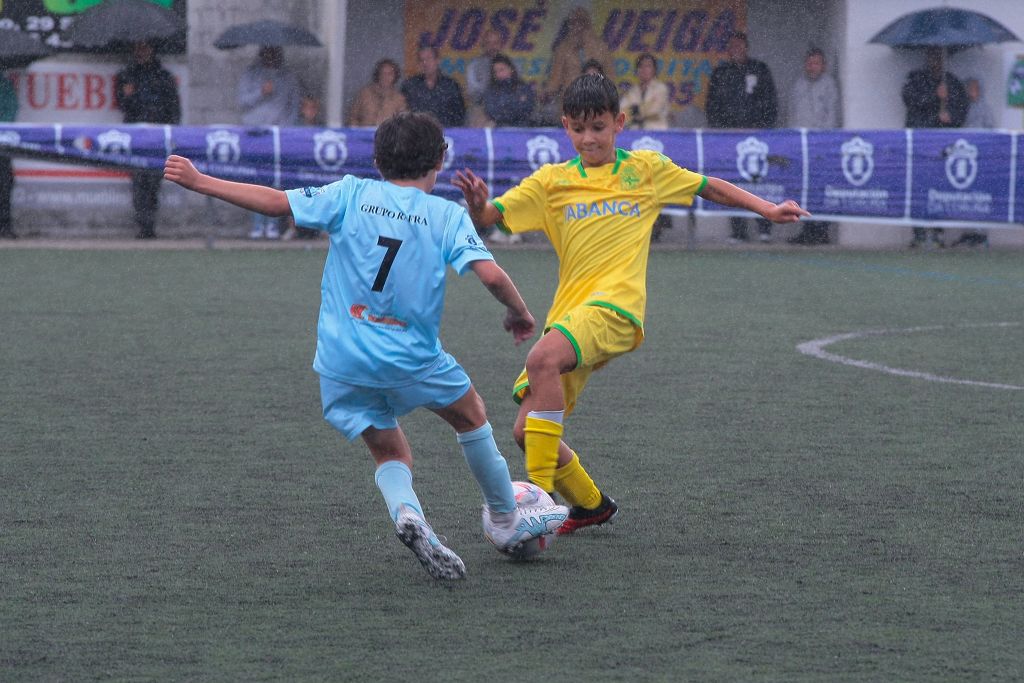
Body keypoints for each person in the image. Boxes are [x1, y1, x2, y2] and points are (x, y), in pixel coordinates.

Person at [163, 111, 569, 581]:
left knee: (389, 451)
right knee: (471, 415)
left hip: (341, 359)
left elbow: (277, 204)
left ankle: (408, 513)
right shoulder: (445, 214)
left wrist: (200, 180)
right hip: (412, 357)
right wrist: (518, 313)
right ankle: (505, 517)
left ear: (377, 160)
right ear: (440, 160)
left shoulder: (350, 193)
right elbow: (492, 275)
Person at [453, 75, 808, 535]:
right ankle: (591, 505)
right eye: (579, 129)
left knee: (541, 360)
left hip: (616, 311)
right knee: (527, 431)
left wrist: (767, 209)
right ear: (565, 127)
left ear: (619, 123)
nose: (589, 138)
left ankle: (534, 511)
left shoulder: (645, 170)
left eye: (599, 127)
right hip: (570, 319)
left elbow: (708, 186)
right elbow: (488, 219)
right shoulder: (551, 182)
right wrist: (479, 206)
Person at [705, 31, 778, 244]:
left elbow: (770, 102)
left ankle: (764, 227)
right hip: (729, 137)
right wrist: (720, 129)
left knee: (759, 180)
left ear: (747, 47)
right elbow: (712, 104)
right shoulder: (721, 72)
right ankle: (738, 230)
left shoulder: (760, 69)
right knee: (733, 183)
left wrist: (762, 127)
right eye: (732, 46)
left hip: (757, 137)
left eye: (740, 45)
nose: (736, 49)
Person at [114, 41, 181, 240]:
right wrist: (126, 95)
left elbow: (173, 107)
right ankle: (142, 224)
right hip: (135, 135)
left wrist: (173, 133)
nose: (142, 52)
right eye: (138, 48)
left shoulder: (163, 76)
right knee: (138, 181)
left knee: (153, 181)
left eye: (145, 48)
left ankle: (150, 223)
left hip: (157, 136)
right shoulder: (127, 75)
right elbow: (123, 105)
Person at [902, 47, 968, 248]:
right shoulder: (916, 79)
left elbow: (961, 110)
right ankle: (919, 233)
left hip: (943, 146)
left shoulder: (953, 83)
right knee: (917, 187)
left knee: (940, 188)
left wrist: (951, 118)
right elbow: (910, 101)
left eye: (939, 58)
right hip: (920, 145)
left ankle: (938, 232)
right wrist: (934, 95)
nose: (936, 62)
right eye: (932, 57)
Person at [238, 45, 300, 240]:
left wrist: (287, 129)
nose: (271, 56)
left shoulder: (288, 77)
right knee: (255, 178)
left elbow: (294, 105)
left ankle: (272, 223)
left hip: (279, 135)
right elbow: (242, 101)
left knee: (276, 180)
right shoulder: (250, 75)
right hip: (255, 133)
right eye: (267, 53)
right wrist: (261, 92)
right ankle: (257, 224)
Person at [786, 47, 840, 246]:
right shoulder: (798, 85)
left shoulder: (829, 86)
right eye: (809, 63)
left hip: (820, 147)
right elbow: (792, 113)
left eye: (816, 63)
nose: (812, 67)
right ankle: (806, 230)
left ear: (823, 65)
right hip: (800, 147)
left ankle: (821, 231)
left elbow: (831, 116)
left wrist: (823, 143)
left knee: (821, 189)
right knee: (804, 190)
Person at [621, 53, 672, 242]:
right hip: (635, 142)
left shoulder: (661, 88)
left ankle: (659, 224)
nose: (644, 70)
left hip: (657, 141)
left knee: (657, 182)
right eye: (641, 67)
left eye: (648, 66)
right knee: (636, 182)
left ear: (654, 70)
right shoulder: (632, 91)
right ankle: (640, 225)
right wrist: (636, 112)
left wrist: (636, 111)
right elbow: (622, 113)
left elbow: (654, 110)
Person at [539, 8, 611, 125]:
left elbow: (610, 77)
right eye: (574, 23)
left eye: (581, 22)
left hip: (597, 101)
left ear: (588, 24)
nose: (578, 26)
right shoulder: (562, 49)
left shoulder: (601, 48)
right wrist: (546, 92)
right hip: (571, 101)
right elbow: (555, 80)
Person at [953, 77, 994, 247]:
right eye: (969, 87)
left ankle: (981, 234)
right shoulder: (963, 108)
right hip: (965, 160)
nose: (971, 91)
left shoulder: (985, 109)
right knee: (967, 196)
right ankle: (968, 232)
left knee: (980, 196)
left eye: (974, 88)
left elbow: (992, 131)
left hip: (980, 160)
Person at [401, 46, 466, 128]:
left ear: (438, 60)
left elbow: (459, 116)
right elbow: (403, 113)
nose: (425, 63)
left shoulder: (450, 85)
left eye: (428, 58)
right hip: (416, 133)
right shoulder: (409, 85)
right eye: (421, 60)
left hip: (445, 133)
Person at [347, 58, 407, 127]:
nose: (385, 77)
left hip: (386, 136)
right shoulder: (364, 94)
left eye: (389, 74)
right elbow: (353, 117)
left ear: (395, 76)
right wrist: (357, 133)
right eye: (383, 73)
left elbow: (403, 124)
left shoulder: (399, 99)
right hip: (363, 135)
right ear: (378, 74)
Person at [482, 53, 536, 127]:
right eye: (495, 71)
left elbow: (527, 109)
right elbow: (491, 112)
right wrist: (515, 104)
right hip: (499, 130)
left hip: (522, 129)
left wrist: (505, 110)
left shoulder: (523, 87)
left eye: (502, 70)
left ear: (510, 69)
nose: (499, 74)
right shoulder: (491, 90)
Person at [465, 28, 504, 126]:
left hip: (506, 107)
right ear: (483, 45)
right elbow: (473, 93)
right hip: (482, 108)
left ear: (501, 45)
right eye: (488, 43)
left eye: (495, 43)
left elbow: (516, 89)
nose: (492, 47)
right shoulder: (474, 65)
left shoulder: (511, 65)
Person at [0, 69, 17, 239]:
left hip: (2, 144)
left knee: (4, 184)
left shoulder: (4, 85)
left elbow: (11, 110)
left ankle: (4, 225)